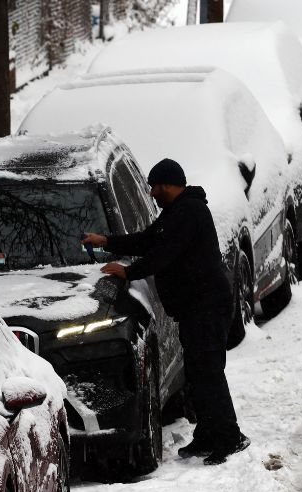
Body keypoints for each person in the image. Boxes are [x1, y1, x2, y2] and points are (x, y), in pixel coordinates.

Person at [82, 158, 249, 466]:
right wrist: (106, 241)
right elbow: (147, 240)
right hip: (194, 308)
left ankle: (229, 437)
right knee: (198, 374)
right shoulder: (176, 213)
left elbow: (164, 254)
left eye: (155, 187)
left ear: (169, 184)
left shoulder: (190, 213)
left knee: (209, 373)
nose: (152, 193)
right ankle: (208, 434)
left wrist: (128, 272)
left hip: (207, 307)